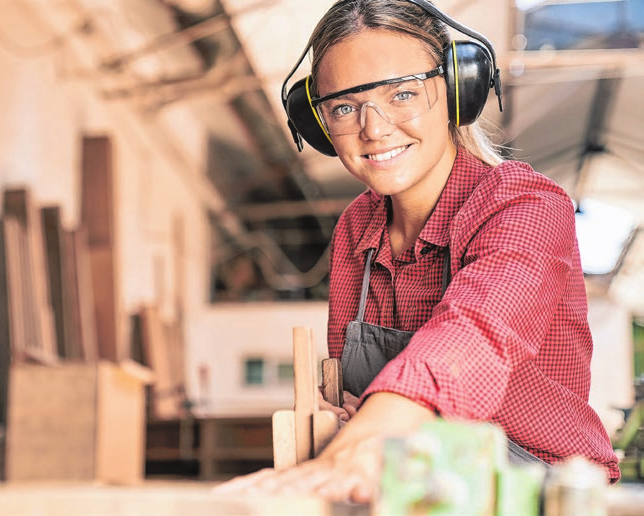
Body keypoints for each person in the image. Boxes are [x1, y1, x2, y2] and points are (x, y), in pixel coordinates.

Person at [214, 0, 620, 503]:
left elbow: (477, 331)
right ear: (318, 125)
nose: (374, 128)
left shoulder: (526, 206)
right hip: (409, 481)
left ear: (457, 91)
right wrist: (345, 415)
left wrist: (375, 429)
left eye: (403, 94)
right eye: (344, 106)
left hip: (536, 489)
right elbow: (350, 389)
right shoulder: (355, 232)